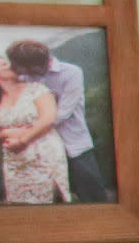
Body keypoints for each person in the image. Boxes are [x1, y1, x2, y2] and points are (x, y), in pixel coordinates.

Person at [0, 38, 70, 204]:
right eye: (5, 64)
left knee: (49, 201)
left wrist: (23, 139)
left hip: (44, 155)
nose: (11, 66)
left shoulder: (36, 88)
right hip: (15, 160)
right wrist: (6, 133)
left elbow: (49, 118)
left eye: (11, 63)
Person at [39, 46, 107, 203]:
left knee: (93, 196)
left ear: (48, 59)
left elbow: (64, 112)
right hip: (44, 148)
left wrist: (35, 127)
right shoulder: (27, 76)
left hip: (74, 145)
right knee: (53, 200)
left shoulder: (71, 72)